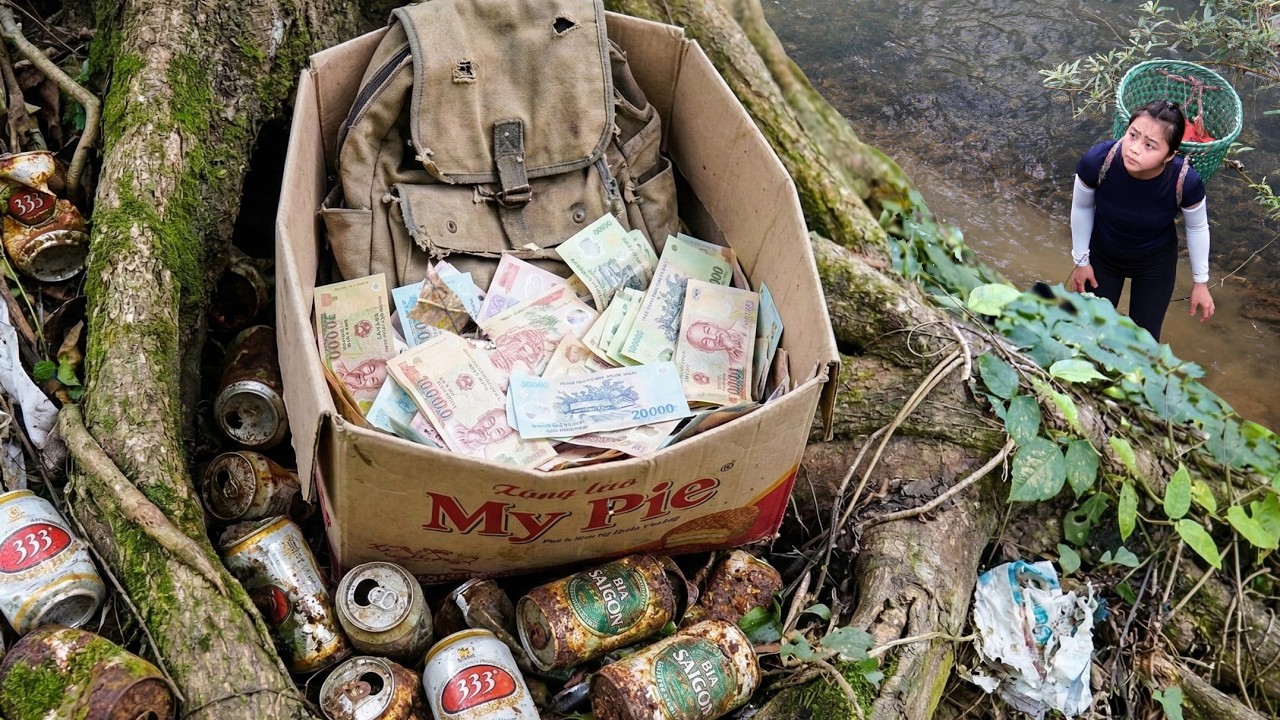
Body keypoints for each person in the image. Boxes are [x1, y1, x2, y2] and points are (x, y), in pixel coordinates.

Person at [1067, 99, 1215, 342]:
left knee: (1143, 341)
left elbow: (1197, 228)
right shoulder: (1097, 160)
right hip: (1103, 254)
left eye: (1150, 145)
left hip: (1154, 264)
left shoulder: (1185, 182)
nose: (1134, 148)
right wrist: (1081, 261)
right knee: (1089, 329)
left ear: (1169, 155)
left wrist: (1200, 282)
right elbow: (1082, 208)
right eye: (1132, 135)